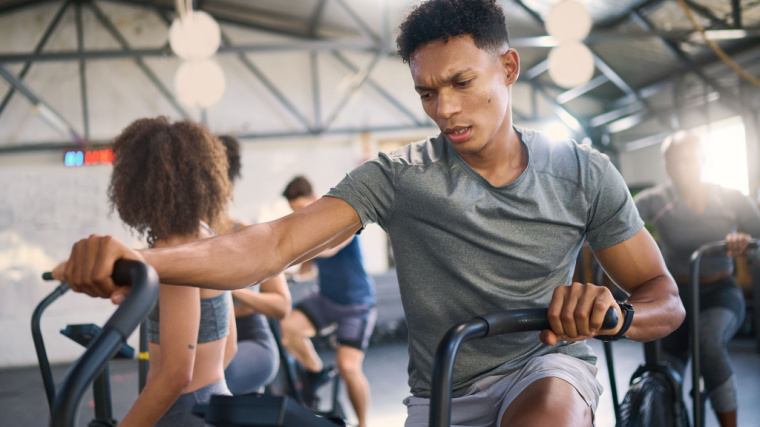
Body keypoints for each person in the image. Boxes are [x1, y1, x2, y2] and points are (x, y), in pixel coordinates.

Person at [53, 1, 685, 425]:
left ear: (508, 68)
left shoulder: (583, 172)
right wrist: (140, 260)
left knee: (550, 406)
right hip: (441, 391)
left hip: (543, 367)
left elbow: (666, 299)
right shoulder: (400, 176)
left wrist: (616, 315)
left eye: (462, 83)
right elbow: (267, 247)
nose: (444, 109)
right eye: (428, 92)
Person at [105, 117, 236, 426]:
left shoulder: (173, 249)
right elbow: (227, 346)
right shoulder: (206, 236)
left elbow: (177, 374)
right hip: (213, 399)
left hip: (184, 409)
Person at [634, 132, 760, 427]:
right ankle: (677, 418)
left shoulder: (731, 199)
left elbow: (758, 235)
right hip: (673, 299)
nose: (682, 168)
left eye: (689, 161)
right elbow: (615, 219)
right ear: (667, 167)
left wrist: (745, 240)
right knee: (663, 371)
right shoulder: (657, 200)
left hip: (720, 294)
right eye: (674, 163)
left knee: (708, 342)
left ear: (704, 160)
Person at [280, 176, 376, 427]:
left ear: (314, 199)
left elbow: (329, 250)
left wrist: (289, 252)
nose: (299, 215)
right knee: (288, 329)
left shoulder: (340, 219)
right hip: (326, 300)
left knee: (348, 367)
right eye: (294, 211)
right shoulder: (307, 231)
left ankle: (363, 423)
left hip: (356, 306)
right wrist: (282, 273)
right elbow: (307, 270)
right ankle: (316, 371)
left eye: (301, 209)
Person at [217, 135, 292, 395]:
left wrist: (233, 291)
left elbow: (282, 306)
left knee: (214, 376)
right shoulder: (186, 237)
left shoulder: (249, 235)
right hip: (205, 340)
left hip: (250, 337)